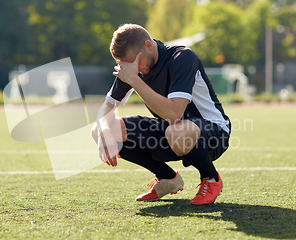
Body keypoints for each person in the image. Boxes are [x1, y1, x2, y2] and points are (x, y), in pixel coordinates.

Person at [91, 24, 230, 205]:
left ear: (148, 46)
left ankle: (211, 179)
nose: (134, 69)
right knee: (100, 130)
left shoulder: (182, 58)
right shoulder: (132, 66)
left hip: (213, 131)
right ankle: (167, 178)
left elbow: (174, 114)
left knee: (176, 131)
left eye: (134, 62)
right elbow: (106, 108)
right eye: (125, 65)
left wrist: (133, 79)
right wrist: (105, 133)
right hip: (171, 131)